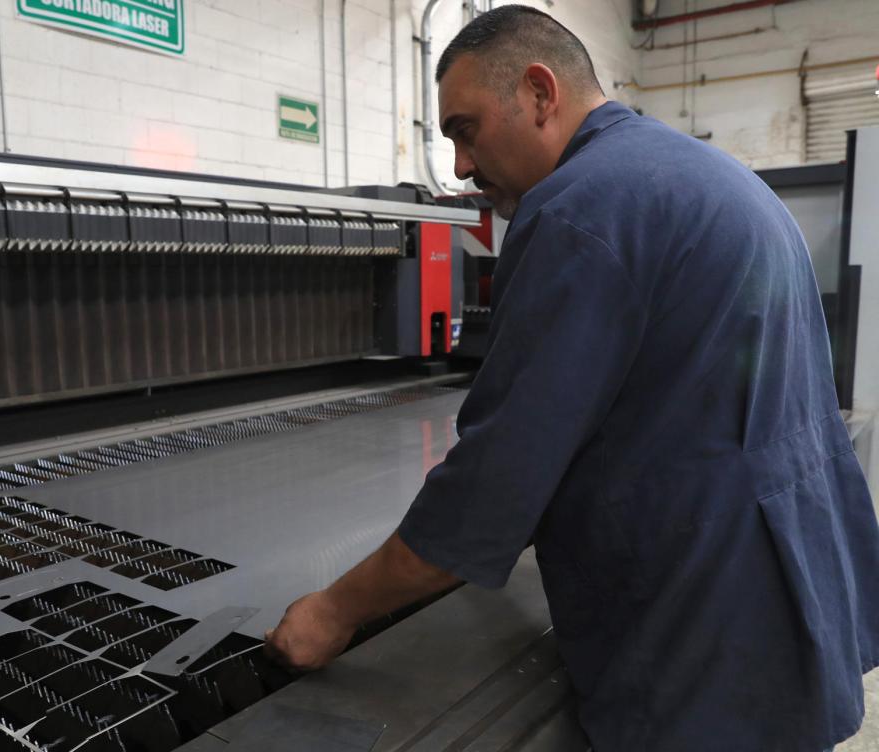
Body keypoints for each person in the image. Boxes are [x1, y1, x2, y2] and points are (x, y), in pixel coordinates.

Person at [263, 5, 879, 751]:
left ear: (539, 91)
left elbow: (492, 487)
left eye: (465, 129)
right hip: (789, 577)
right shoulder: (705, 175)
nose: (460, 164)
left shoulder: (581, 208)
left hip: (702, 619)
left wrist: (333, 610)